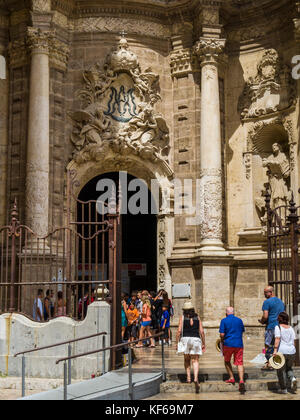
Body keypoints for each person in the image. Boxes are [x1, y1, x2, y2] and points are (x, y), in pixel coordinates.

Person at [176, 301, 205, 392]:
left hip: (185, 339)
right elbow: (202, 332)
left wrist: (177, 342)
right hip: (196, 339)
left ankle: (189, 378)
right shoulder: (197, 317)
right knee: (195, 360)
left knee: (187, 359)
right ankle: (196, 378)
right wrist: (203, 343)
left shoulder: (182, 317)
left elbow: (179, 331)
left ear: (184, 310)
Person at [219, 307, 246, 394]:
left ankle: (232, 377)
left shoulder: (224, 321)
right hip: (239, 344)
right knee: (239, 362)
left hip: (228, 344)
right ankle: (241, 380)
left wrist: (222, 340)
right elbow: (242, 331)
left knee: (227, 361)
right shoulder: (239, 320)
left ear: (226, 313)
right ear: (233, 313)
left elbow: (222, 334)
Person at [259, 286, 285, 370]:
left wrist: (262, 321)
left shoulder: (267, 302)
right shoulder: (280, 301)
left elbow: (265, 315)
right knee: (276, 345)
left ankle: (269, 363)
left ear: (270, 292)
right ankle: (276, 362)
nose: (264, 294)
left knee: (268, 344)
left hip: (271, 326)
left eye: (265, 292)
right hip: (279, 326)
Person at [273, 312, 297, 394]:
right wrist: (293, 350)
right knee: (289, 368)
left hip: (282, 351)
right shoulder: (291, 328)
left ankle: (284, 389)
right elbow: (294, 341)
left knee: (280, 370)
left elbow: (277, 339)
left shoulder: (278, 327)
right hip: (292, 351)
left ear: (279, 319)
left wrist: (275, 350)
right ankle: (293, 378)